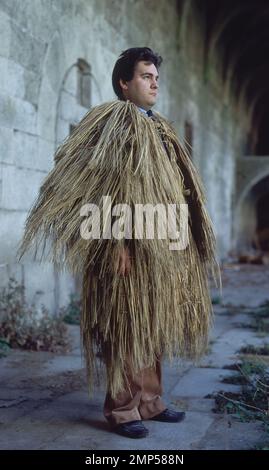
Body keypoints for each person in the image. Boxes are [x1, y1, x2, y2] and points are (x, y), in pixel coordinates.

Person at [17, 47, 221, 439]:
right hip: (126, 244)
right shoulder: (113, 124)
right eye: (146, 76)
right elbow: (99, 186)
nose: (154, 82)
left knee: (153, 321)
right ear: (124, 83)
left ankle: (150, 399)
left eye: (156, 76)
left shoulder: (159, 127)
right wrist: (114, 243)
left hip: (164, 243)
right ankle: (123, 408)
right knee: (127, 324)